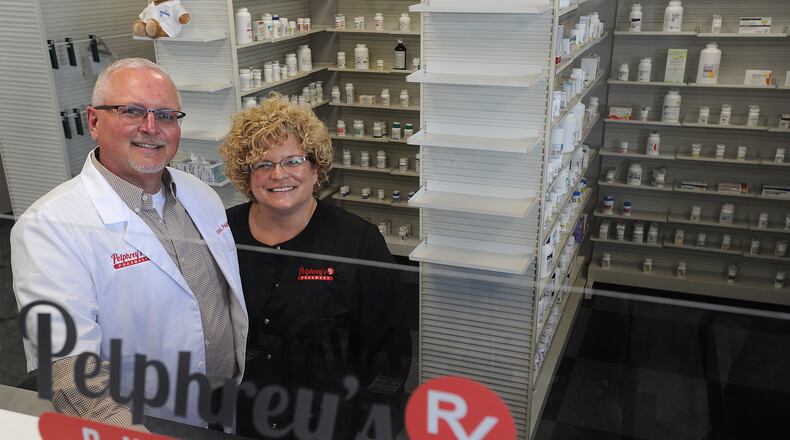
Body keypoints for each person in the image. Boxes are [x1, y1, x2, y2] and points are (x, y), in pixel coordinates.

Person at [12, 58, 247, 430]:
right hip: (144, 425)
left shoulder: (201, 194)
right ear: (93, 121)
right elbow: (71, 374)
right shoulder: (49, 226)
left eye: (166, 115)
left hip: (227, 409)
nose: (151, 128)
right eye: (132, 111)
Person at [220, 94, 412, 438]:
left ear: (315, 168)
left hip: (329, 424)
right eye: (262, 164)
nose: (278, 175)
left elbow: (390, 353)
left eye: (293, 160)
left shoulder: (356, 241)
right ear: (245, 176)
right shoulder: (221, 231)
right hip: (242, 418)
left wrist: (373, 428)